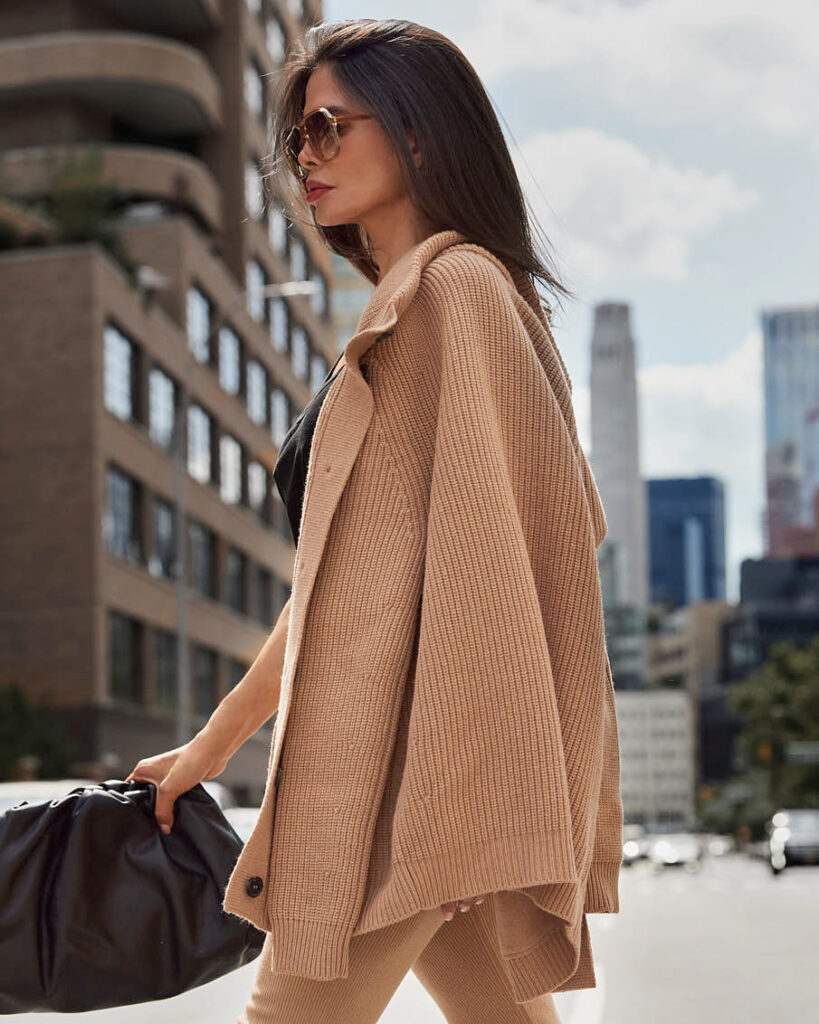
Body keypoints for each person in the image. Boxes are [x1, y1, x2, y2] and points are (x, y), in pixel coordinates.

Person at [127, 18, 622, 1024]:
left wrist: (473, 796)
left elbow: (512, 566)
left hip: (405, 782)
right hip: (403, 773)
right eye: (298, 140)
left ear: (421, 134)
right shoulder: (407, 306)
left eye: (328, 129)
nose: (305, 159)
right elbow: (332, 595)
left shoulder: (456, 292)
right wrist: (208, 750)